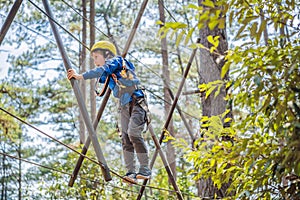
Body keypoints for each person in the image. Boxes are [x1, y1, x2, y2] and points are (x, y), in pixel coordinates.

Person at [67, 40, 151, 184]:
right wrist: (76, 78)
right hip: (124, 105)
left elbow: (102, 70)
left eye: (96, 57)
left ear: (106, 55)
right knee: (125, 138)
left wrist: (80, 75)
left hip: (137, 101)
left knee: (133, 133)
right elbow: (99, 78)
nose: (95, 61)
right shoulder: (107, 73)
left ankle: (144, 169)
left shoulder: (116, 61)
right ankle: (131, 172)